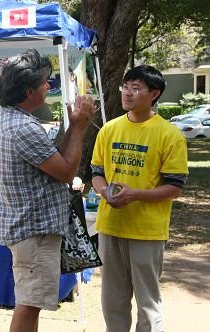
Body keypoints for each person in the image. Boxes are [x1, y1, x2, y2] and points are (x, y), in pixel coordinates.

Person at [0, 49, 95, 332]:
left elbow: (55, 159)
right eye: (45, 81)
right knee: (29, 304)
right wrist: (81, 128)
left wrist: (73, 125)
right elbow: (65, 172)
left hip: (28, 228)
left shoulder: (10, 117)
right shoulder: (23, 126)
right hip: (33, 231)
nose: (49, 86)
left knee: (31, 301)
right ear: (28, 90)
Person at [90, 65, 188, 332]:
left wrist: (135, 195)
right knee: (113, 300)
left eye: (136, 88)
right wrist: (104, 192)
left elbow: (175, 187)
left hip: (147, 231)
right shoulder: (109, 130)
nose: (128, 93)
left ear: (154, 94)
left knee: (148, 302)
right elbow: (97, 173)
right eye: (126, 87)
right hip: (110, 226)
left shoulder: (170, 135)